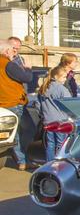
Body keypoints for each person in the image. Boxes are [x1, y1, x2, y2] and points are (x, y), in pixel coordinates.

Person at [0, 40, 32, 170]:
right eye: (12, 49)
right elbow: (27, 78)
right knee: (22, 131)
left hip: (4, 102)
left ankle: (19, 158)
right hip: (13, 102)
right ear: (6, 51)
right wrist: (28, 68)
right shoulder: (8, 64)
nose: (14, 52)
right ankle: (21, 160)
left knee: (16, 132)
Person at [38, 66, 71, 161]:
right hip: (61, 121)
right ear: (56, 77)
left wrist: (43, 115)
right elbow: (69, 104)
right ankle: (59, 164)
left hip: (48, 121)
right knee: (61, 144)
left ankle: (49, 164)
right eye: (64, 77)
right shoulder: (61, 89)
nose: (65, 79)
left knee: (51, 144)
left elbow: (38, 104)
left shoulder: (44, 87)